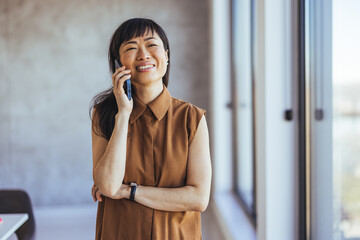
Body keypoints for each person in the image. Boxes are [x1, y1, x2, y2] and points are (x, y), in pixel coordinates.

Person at [90, 18, 212, 240]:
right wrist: (123, 114)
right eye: (130, 48)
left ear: (166, 55)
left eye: (151, 45)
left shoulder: (191, 118)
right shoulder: (104, 114)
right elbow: (107, 185)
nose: (143, 54)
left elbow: (198, 198)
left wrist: (129, 191)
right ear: (118, 65)